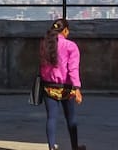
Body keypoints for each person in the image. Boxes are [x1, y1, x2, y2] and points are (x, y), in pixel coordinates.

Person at [40, 18, 83, 150]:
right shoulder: (71, 46)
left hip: (48, 86)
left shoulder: (44, 44)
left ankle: (52, 147)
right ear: (64, 30)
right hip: (66, 87)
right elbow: (73, 69)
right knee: (71, 118)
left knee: (51, 117)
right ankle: (74, 147)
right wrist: (77, 88)